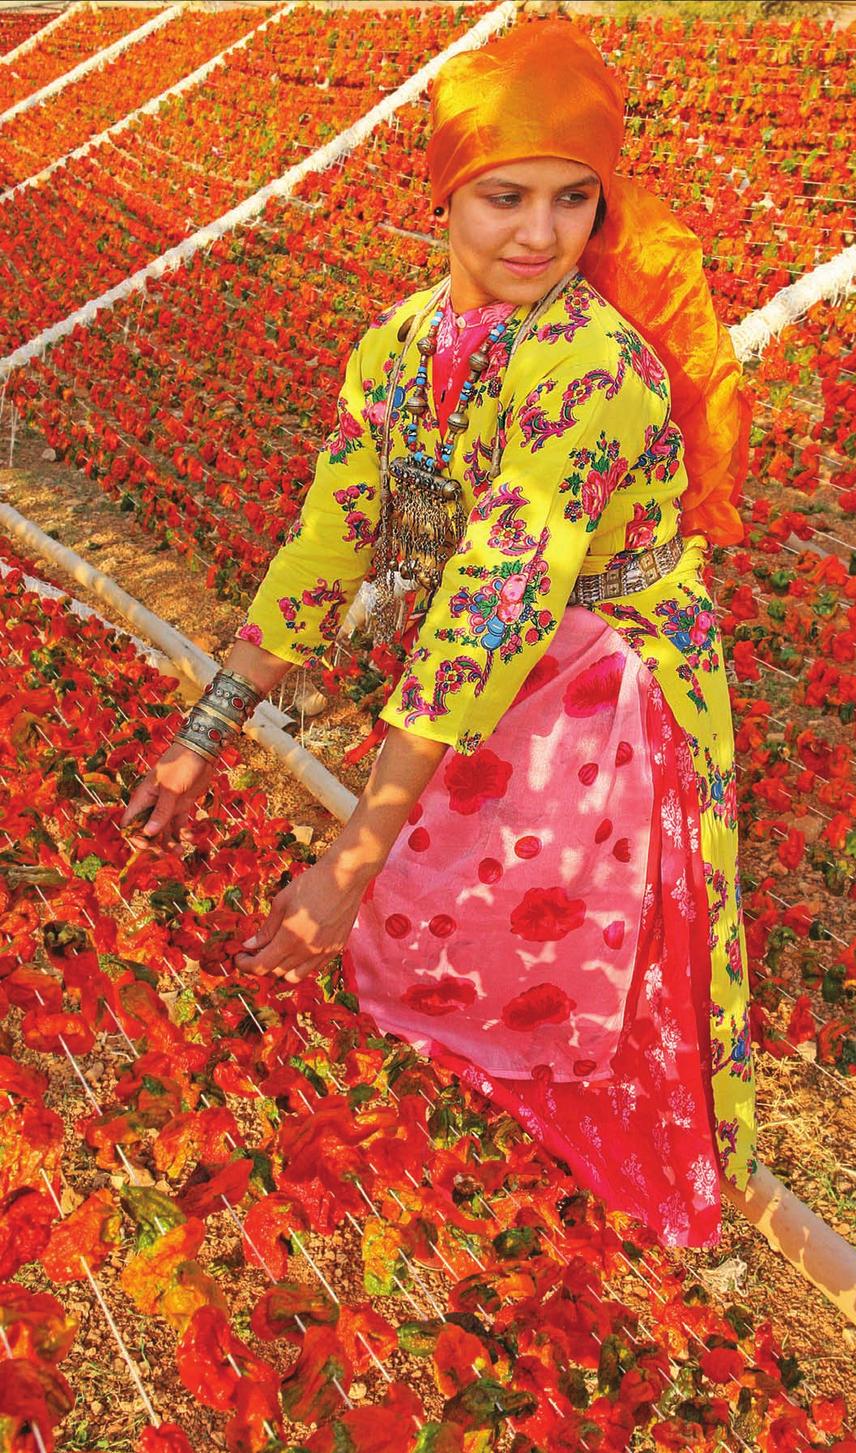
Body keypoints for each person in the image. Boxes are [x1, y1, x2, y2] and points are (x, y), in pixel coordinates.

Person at [121, 18, 756, 1249]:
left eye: (575, 200)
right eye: (504, 196)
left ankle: (613, 1226)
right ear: (444, 195)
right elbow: (327, 543)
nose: (539, 234)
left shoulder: (596, 370)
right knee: (471, 934)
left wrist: (347, 865)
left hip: (604, 700)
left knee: (564, 953)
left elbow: (494, 594)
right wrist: (205, 733)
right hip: (497, 685)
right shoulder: (401, 347)